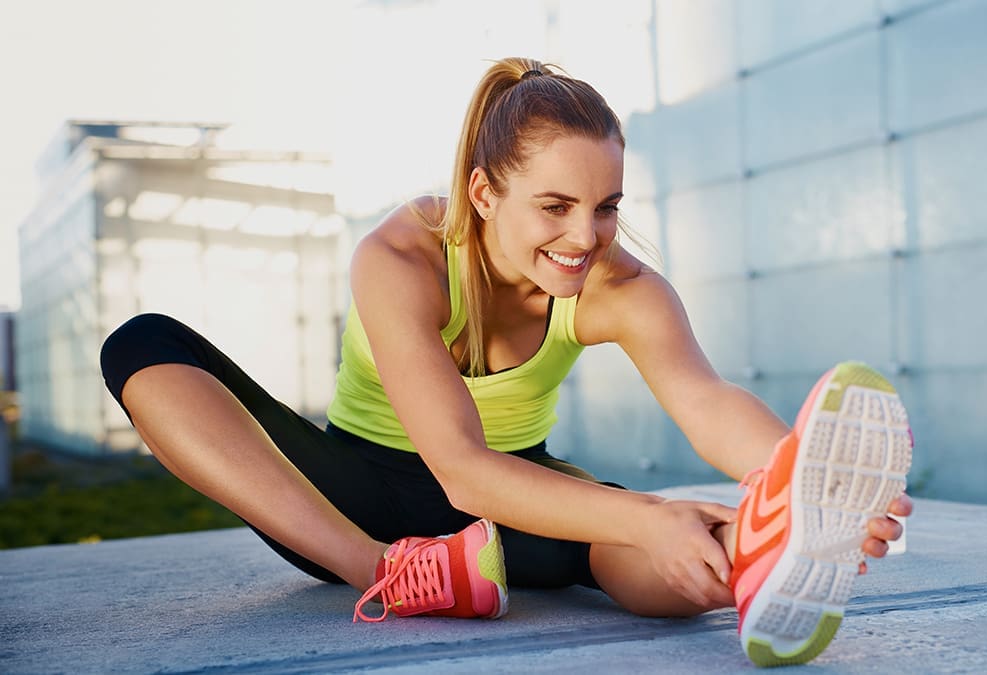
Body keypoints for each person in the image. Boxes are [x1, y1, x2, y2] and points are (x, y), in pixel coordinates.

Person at [99, 57, 913, 667]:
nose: (585, 236)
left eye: (606, 207)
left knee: (662, 546)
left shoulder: (617, 284)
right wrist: (647, 512)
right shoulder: (402, 255)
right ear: (484, 194)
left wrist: (798, 480)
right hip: (348, 494)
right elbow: (458, 470)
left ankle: (757, 552)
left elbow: (704, 400)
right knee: (142, 344)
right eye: (555, 207)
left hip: (514, 501)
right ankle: (389, 571)